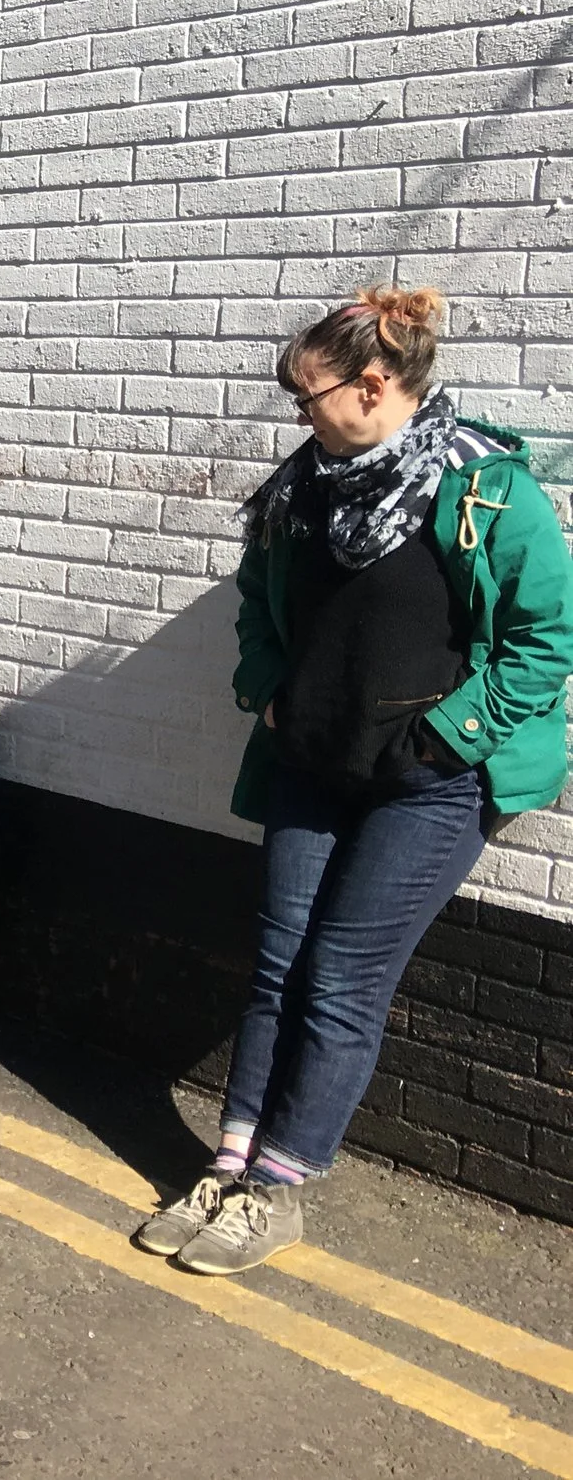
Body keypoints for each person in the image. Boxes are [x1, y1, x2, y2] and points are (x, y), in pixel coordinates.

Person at [132, 286, 573, 1276]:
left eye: (309, 396)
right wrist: (268, 692)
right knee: (278, 964)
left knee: (340, 979)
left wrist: (448, 738)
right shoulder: (302, 491)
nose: (301, 416)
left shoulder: (488, 489)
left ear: (372, 385)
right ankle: (229, 1165)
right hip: (312, 765)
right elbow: (256, 603)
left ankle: (276, 1189)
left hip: (430, 785)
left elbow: (545, 640)